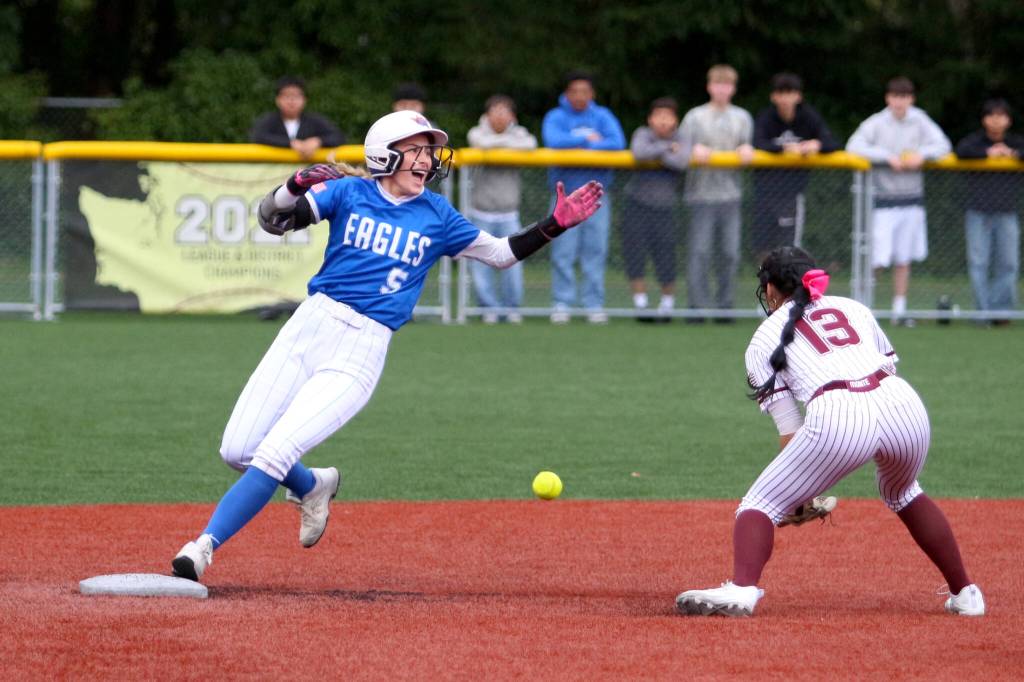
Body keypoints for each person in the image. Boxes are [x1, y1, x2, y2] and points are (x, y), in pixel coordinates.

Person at [170, 110, 604, 582]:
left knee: (273, 452)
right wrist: (294, 185)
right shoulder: (350, 191)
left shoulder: (437, 213)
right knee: (237, 450)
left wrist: (554, 224)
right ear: (386, 154)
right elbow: (272, 220)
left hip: (361, 347)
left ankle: (202, 547)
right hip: (309, 326)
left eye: (429, 150)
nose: (428, 159)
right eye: (417, 149)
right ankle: (313, 484)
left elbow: (499, 254)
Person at [675, 246, 985, 618]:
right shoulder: (854, 307)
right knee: (904, 491)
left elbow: (790, 430)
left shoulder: (763, 337)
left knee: (759, 505)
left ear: (771, 289)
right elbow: (886, 368)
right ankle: (966, 593)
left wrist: (797, 496)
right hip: (904, 406)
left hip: (839, 412)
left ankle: (743, 588)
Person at [846, 77, 951, 327]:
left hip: (911, 201)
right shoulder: (877, 122)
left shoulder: (920, 120)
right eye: (895, 96)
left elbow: (943, 145)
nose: (899, 101)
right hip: (883, 201)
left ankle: (899, 310)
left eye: (904, 97)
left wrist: (921, 155)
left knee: (903, 259)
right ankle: (862, 310)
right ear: (888, 98)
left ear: (911, 99)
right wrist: (886, 157)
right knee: (877, 258)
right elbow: (853, 146)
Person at [542, 71, 626, 324]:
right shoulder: (555, 116)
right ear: (567, 93)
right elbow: (553, 140)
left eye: (584, 91)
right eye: (574, 91)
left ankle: (593, 303)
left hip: (597, 196)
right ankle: (561, 303)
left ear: (592, 94)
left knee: (595, 251)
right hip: (564, 197)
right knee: (563, 252)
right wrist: (588, 138)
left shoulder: (602, 115)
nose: (579, 96)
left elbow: (617, 142)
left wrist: (579, 144)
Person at [679, 64, 754, 323]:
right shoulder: (694, 116)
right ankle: (696, 309)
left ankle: (725, 308)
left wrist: (746, 149)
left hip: (731, 195)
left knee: (730, 253)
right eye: (718, 84)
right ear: (709, 86)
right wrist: (692, 150)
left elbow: (747, 145)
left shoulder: (742, 117)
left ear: (733, 88)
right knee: (699, 252)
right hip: (700, 195)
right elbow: (680, 148)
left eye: (727, 84)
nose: (722, 89)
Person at [466, 94, 538, 324]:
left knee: (514, 263)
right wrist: (506, 146)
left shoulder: (520, 134)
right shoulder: (477, 132)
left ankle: (511, 308)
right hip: (480, 211)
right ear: (487, 115)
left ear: (512, 116)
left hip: (509, 213)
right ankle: (488, 308)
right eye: (495, 111)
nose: (499, 115)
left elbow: (530, 144)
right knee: (480, 264)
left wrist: (500, 145)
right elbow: (480, 143)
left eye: (504, 111)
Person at [752, 73, 839, 261]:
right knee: (763, 250)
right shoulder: (767, 117)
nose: (785, 98)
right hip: (764, 192)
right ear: (773, 96)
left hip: (792, 194)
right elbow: (757, 143)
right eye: (781, 93)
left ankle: (789, 290)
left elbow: (832, 142)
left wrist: (817, 144)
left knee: (789, 250)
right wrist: (784, 148)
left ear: (798, 96)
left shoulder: (808, 117)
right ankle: (767, 289)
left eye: (790, 93)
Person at [954, 98, 1023, 325]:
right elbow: (960, 151)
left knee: (1009, 263)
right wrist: (988, 153)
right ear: (984, 119)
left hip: (1006, 211)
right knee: (978, 262)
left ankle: (1001, 312)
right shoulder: (975, 141)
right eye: (992, 115)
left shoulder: (1015, 142)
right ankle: (982, 313)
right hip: (978, 211)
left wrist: (1010, 154)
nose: (996, 120)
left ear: (1008, 120)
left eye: (1001, 116)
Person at [622, 97, 690, 321]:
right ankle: (641, 306)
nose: (662, 121)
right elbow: (639, 153)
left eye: (667, 116)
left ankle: (666, 306)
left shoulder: (682, 137)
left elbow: (681, 162)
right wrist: (666, 148)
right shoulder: (642, 133)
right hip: (637, 204)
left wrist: (659, 152)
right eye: (658, 116)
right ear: (650, 119)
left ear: (675, 121)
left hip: (665, 208)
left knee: (666, 257)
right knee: (635, 255)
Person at [249, 76, 345, 160]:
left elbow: (338, 136)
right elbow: (258, 136)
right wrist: (290, 143)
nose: (291, 100)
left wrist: (318, 141)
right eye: (286, 95)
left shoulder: (315, 121)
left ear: (304, 100)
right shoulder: (268, 120)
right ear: (277, 100)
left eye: (296, 96)